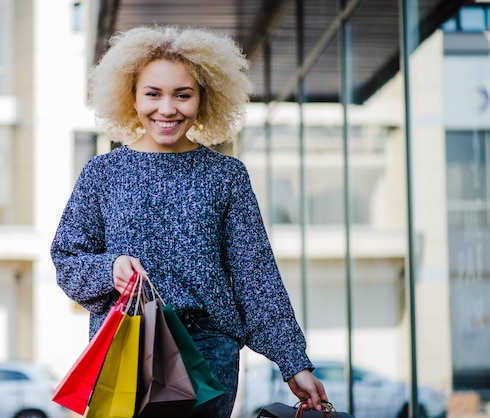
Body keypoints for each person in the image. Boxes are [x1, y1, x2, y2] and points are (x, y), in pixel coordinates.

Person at [51, 25, 328, 418]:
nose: (167, 108)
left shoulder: (226, 176)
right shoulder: (102, 173)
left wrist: (292, 361)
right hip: (126, 353)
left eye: (183, 95)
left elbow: (256, 276)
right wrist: (109, 268)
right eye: (153, 94)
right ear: (131, 97)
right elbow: (67, 258)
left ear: (204, 99)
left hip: (209, 356)